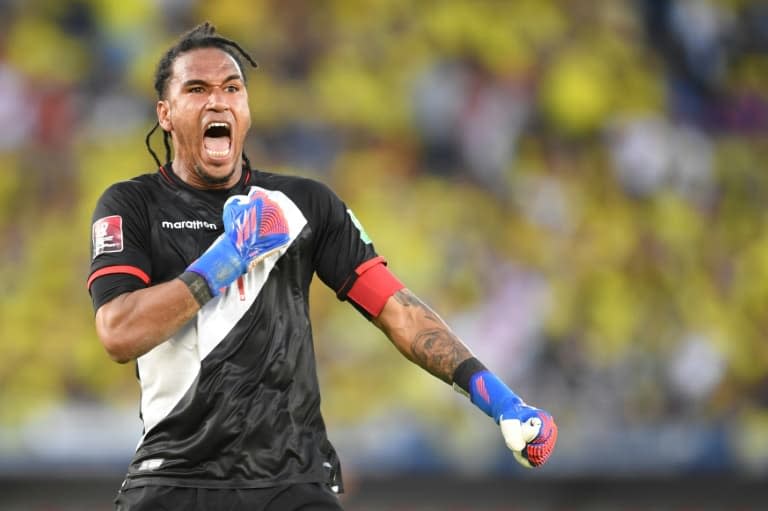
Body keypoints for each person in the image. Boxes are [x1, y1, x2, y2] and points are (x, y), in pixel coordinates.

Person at [87, 22, 558, 511]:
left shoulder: (304, 204)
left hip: (292, 482)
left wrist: (501, 400)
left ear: (246, 109)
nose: (218, 101)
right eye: (197, 89)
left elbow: (398, 312)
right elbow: (119, 333)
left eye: (232, 88)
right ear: (165, 113)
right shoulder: (133, 204)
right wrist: (231, 257)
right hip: (175, 481)